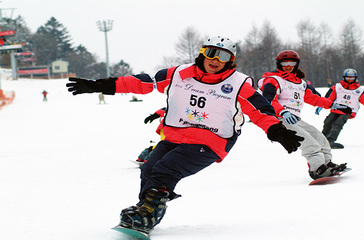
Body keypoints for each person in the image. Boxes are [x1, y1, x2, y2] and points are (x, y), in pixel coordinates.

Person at [66, 36, 304, 234]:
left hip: (213, 139)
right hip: (176, 135)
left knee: (165, 170)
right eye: (211, 53)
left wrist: (277, 131)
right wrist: (100, 86)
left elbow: (260, 109)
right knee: (149, 168)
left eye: (223, 57)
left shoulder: (239, 83)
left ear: (231, 61)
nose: (215, 60)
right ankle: (147, 209)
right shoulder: (179, 73)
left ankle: (148, 212)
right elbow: (144, 82)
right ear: (202, 53)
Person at [258, 50, 350, 180]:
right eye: (285, 63)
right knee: (309, 142)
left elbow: (312, 98)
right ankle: (317, 169)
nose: (288, 66)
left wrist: (332, 104)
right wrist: (283, 112)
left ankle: (327, 164)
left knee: (320, 138)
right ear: (279, 64)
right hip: (279, 118)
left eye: (292, 63)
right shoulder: (273, 80)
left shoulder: (299, 83)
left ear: (297, 64)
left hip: (295, 119)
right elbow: (268, 100)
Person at [316, 68, 364, 149]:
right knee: (328, 122)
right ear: (344, 78)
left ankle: (331, 140)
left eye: (352, 78)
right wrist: (321, 105)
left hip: (349, 111)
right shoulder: (338, 87)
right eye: (348, 78)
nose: (349, 80)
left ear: (355, 78)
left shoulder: (358, 90)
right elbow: (329, 98)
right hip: (337, 108)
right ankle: (323, 139)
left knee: (338, 124)